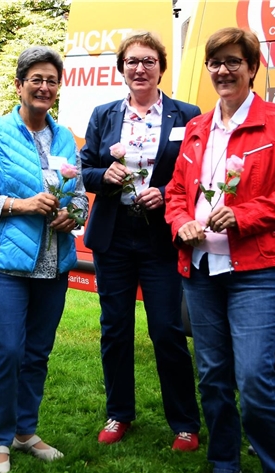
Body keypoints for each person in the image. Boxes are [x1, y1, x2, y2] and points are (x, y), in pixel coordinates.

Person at [165, 28, 275, 473]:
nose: (223, 71)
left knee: (254, 377)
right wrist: (180, 222)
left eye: (233, 62)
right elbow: (175, 193)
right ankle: (224, 464)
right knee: (212, 376)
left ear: (252, 67)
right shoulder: (198, 128)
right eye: (215, 63)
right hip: (203, 268)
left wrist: (246, 215)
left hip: (258, 269)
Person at [0, 46, 88, 473]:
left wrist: (76, 213)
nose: (44, 86)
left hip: (53, 264)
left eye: (51, 80)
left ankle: (24, 431)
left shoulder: (67, 137)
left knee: (37, 352)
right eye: (36, 78)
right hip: (3, 264)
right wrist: (20, 204)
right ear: (19, 85)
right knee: (7, 349)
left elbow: (81, 198)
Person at [80, 31, 202, 450]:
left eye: (148, 61)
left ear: (161, 68)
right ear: (122, 68)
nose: (140, 68)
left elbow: (197, 175)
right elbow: (86, 168)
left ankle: (185, 421)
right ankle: (119, 413)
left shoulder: (188, 115)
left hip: (161, 236)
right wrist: (104, 177)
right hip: (114, 235)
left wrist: (166, 193)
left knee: (167, 328)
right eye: (132, 61)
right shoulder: (104, 114)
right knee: (115, 327)